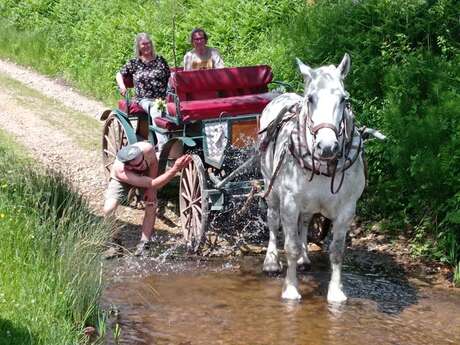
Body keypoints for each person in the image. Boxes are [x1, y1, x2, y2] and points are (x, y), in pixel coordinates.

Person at [103, 141, 192, 256]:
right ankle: (115, 244)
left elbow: (153, 165)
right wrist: (175, 168)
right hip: (122, 180)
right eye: (138, 166)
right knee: (108, 209)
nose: (142, 166)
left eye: (142, 161)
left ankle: (144, 243)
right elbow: (154, 183)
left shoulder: (147, 149)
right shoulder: (122, 171)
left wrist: (151, 191)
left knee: (151, 204)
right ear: (128, 165)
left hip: (146, 177)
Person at [116, 32, 170, 151]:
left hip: (163, 98)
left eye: (148, 43)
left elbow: (170, 77)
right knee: (156, 109)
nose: (146, 46)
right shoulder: (135, 63)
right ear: (138, 47)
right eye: (143, 44)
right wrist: (122, 86)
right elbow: (119, 74)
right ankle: (164, 148)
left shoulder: (160, 60)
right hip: (144, 99)